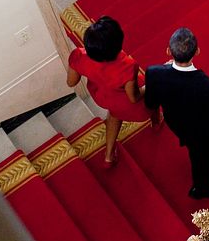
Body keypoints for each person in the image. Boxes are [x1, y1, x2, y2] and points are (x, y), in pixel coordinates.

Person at [144, 28, 209, 199]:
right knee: (204, 158)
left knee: (196, 152)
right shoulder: (208, 86)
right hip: (204, 134)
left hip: (178, 124)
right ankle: (201, 188)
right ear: (197, 51)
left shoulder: (154, 73)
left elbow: (150, 103)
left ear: (168, 50)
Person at [66, 16, 155, 168]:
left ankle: (108, 156)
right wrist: (151, 85)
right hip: (128, 104)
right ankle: (157, 120)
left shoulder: (78, 55)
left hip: (102, 96)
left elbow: (71, 82)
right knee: (155, 87)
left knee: (114, 113)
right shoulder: (127, 65)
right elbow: (134, 98)